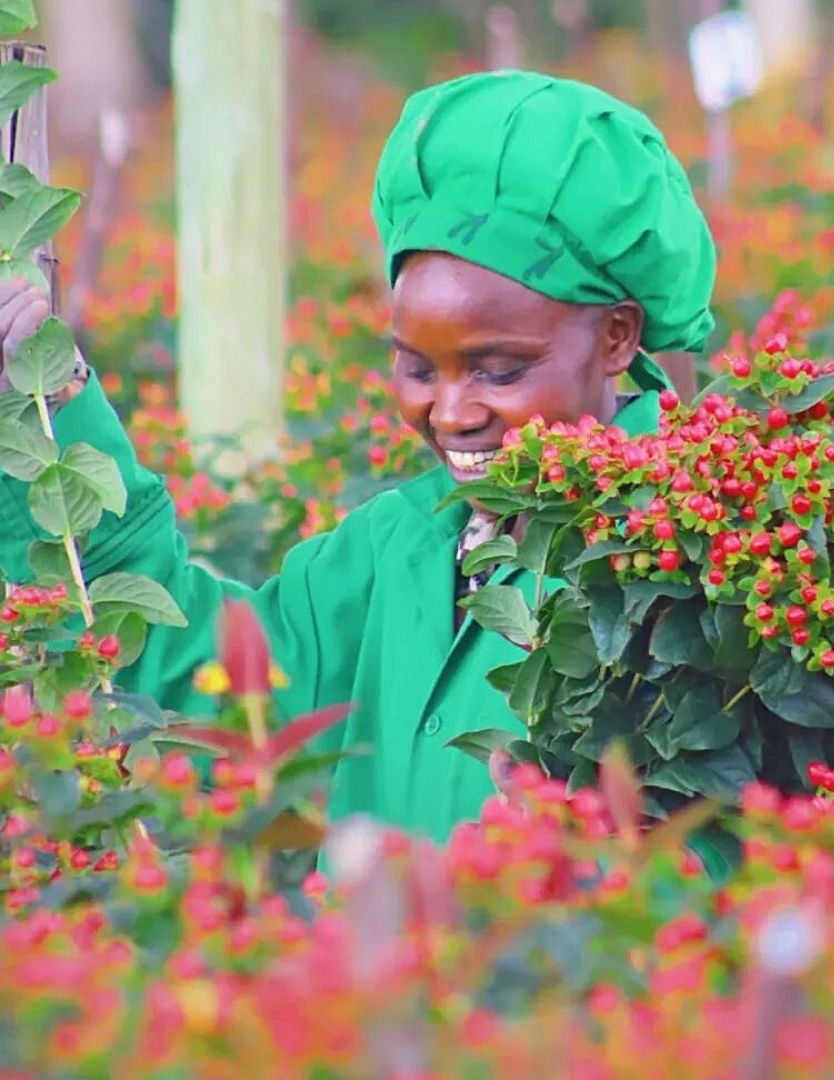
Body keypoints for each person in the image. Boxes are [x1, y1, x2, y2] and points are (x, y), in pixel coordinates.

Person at [0, 71, 717, 845]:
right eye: (417, 367)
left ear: (617, 338)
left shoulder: (688, 558)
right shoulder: (392, 550)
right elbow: (196, 692)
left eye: (499, 370)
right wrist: (50, 416)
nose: (449, 412)